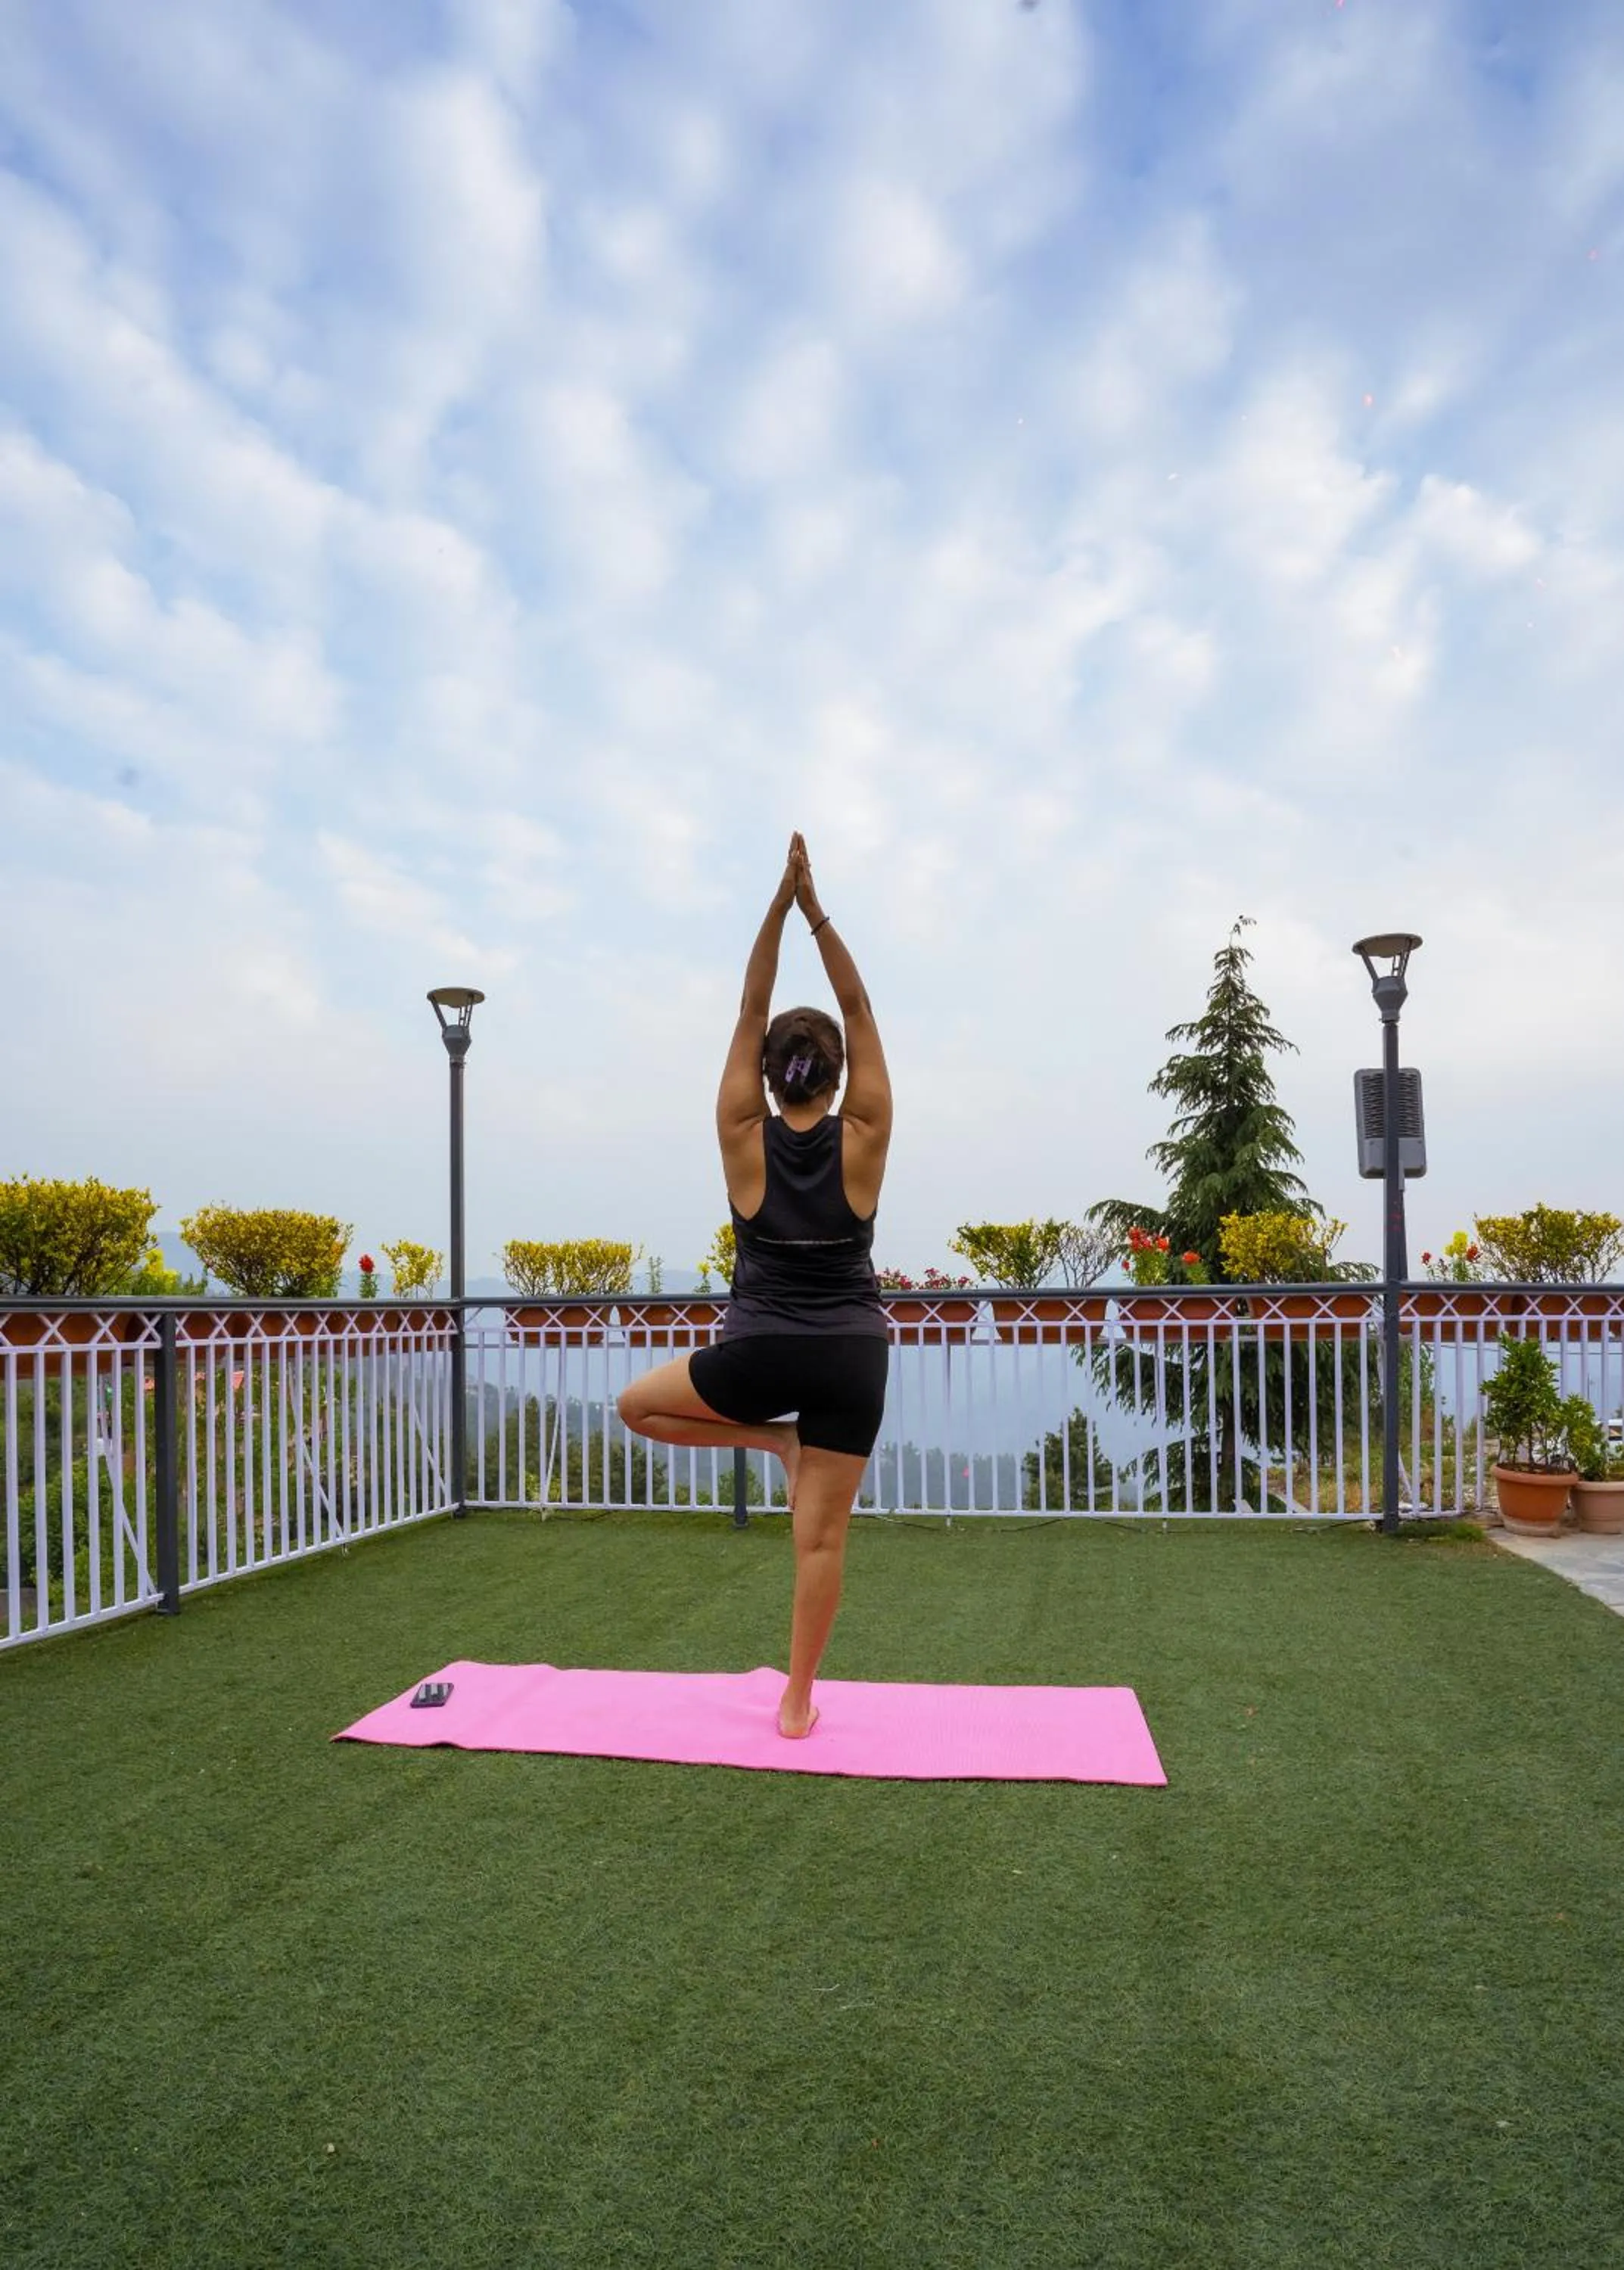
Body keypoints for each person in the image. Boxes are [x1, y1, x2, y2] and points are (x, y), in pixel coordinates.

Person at [616, 832, 894, 1738]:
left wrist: (776, 903)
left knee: (637, 1407)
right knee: (819, 1541)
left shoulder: (742, 1134)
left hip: (759, 1357)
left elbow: (750, 1006)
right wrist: (817, 911)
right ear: (840, 1074)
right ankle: (797, 1700)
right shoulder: (867, 1134)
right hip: (852, 1359)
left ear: (768, 1076)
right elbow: (854, 1002)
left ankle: (771, 1443)